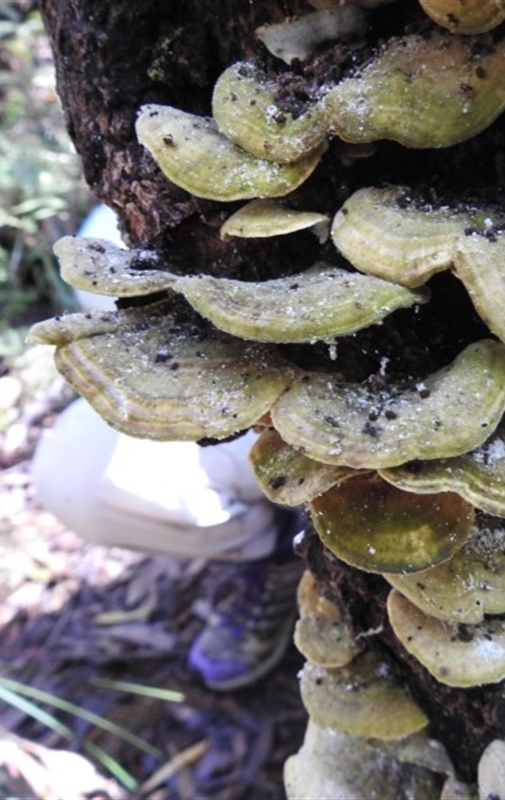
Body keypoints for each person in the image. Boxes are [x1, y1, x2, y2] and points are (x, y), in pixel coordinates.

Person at [31, 206, 305, 690]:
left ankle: (306, 497)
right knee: (69, 477)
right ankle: (276, 551)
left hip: (322, 379)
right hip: (217, 382)